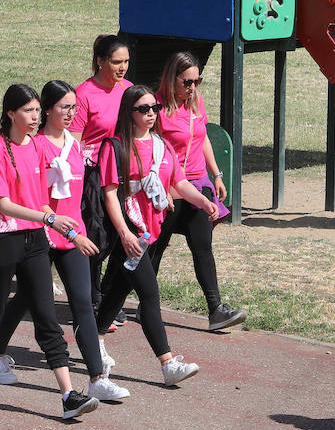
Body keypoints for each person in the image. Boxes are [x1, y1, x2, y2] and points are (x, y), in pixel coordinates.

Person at [0, 84, 100, 420]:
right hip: (2, 241)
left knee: (47, 317)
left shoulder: (35, 147)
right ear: (10, 114)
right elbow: (3, 204)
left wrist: (64, 227)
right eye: (28, 111)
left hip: (35, 239)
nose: (35, 118)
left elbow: (40, 198)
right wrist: (48, 216)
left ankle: (67, 395)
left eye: (36, 111)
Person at [0, 80, 131, 403]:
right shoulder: (33, 146)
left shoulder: (74, 146)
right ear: (47, 108)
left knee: (82, 303)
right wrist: (59, 226)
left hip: (71, 235)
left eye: (74, 107)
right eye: (64, 107)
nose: (71, 113)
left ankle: (96, 378)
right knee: (25, 299)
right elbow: (31, 198)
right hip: (39, 234)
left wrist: (78, 231)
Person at [94, 85, 216, 386]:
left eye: (154, 108)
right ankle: (167, 363)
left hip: (152, 232)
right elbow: (110, 195)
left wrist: (202, 200)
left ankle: (92, 340)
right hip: (130, 233)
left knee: (119, 291)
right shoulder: (115, 147)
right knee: (149, 294)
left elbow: (180, 181)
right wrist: (123, 232)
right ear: (129, 112)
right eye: (144, 109)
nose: (151, 114)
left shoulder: (161, 145)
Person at [147, 52, 246, 332]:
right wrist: (163, 187)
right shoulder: (155, 108)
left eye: (197, 81)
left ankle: (216, 309)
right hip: (169, 188)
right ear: (171, 79)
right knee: (155, 249)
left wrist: (216, 174)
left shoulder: (195, 103)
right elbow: (150, 150)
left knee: (203, 247)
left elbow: (201, 139)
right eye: (187, 81)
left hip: (198, 185)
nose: (192, 87)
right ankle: (142, 303)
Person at [70, 34, 131, 319]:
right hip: (92, 175)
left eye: (126, 62)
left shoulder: (129, 91)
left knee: (125, 236)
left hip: (125, 173)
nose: (122, 68)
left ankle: (108, 296)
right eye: (116, 62)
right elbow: (72, 141)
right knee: (99, 237)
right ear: (100, 61)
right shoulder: (83, 94)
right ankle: (93, 298)